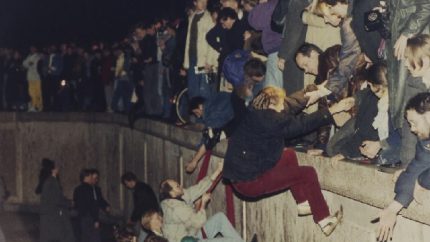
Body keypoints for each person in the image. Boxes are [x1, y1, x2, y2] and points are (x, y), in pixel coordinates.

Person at [223, 86, 355, 236]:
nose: (282, 107)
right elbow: (301, 124)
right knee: (308, 173)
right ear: (273, 104)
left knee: (289, 155)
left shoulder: (258, 114)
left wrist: (313, 94)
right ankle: (324, 219)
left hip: (244, 175)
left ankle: (303, 203)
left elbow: (289, 108)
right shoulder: (269, 120)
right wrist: (333, 110)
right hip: (249, 182)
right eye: (281, 104)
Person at [375, 92, 430, 242]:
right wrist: (392, 209)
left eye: (414, 122)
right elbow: (416, 168)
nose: (412, 129)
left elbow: (422, 176)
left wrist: (422, 180)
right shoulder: (425, 141)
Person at [160, 162, 247, 242]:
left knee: (219, 218)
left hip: (191, 234)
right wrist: (203, 204)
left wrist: (218, 170)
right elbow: (198, 222)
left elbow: (198, 189)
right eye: (177, 186)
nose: (181, 186)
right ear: (172, 192)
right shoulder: (174, 208)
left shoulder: (176, 196)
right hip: (189, 240)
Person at [185, 92, 234, 173]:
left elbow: (209, 139)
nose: (198, 116)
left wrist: (194, 161)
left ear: (200, 106)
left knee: (212, 135)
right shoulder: (216, 98)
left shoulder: (213, 113)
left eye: (196, 112)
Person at [183, 0, 219, 99]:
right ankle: (195, 112)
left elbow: (213, 42)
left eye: (205, 1)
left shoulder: (209, 18)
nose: (204, 3)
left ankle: (205, 113)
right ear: (195, 3)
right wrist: (186, 61)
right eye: (201, 1)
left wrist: (209, 61)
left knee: (204, 88)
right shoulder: (192, 17)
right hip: (192, 57)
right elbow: (188, 40)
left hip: (204, 60)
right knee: (193, 87)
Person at [35, 158, 76, 242]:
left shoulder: (48, 181)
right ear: (54, 170)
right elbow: (58, 199)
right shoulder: (52, 181)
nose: (59, 169)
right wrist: (70, 203)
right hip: (53, 216)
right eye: (57, 167)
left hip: (49, 216)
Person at [121, 172, 160, 242]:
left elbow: (139, 207)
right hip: (151, 215)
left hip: (148, 217)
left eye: (126, 184)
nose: (127, 186)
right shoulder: (142, 186)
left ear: (128, 181)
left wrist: (132, 219)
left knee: (143, 235)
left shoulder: (139, 190)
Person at [73, 169, 102, 242]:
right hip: (90, 218)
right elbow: (93, 205)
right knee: (94, 238)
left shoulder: (77, 189)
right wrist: (96, 219)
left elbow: (75, 204)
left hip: (81, 217)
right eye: (91, 176)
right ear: (87, 177)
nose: (92, 178)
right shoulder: (91, 189)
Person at [23, 46, 43, 111]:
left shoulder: (38, 56)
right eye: (31, 48)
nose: (32, 49)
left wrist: (29, 63)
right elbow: (24, 64)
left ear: (36, 49)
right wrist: (29, 63)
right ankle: (33, 106)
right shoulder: (29, 56)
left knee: (38, 93)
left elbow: (33, 64)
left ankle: (39, 106)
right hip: (30, 77)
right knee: (31, 92)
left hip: (37, 77)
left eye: (33, 48)